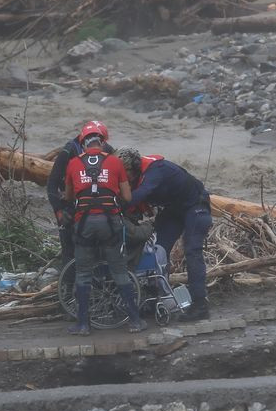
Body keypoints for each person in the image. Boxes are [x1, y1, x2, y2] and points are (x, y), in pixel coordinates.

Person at [63, 126, 144, 335]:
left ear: (83, 144)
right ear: (102, 143)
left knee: (83, 274)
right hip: (110, 223)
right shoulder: (115, 162)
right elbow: (127, 197)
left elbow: (69, 197)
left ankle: (83, 325)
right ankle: (135, 322)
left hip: (84, 224)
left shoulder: (73, 163)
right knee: (119, 271)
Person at [116, 148, 212, 321]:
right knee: (157, 251)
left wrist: (115, 206)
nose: (122, 179)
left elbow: (142, 193)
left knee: (192, 250)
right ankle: (155, 300)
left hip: (195, 206)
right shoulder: (134, 177)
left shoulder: (156, 170)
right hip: (173, 210)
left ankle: (200, 305)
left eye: (124, 174)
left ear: (135, 168)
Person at [46, 121, 115, 262]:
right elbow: (52, 184)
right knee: (69, 248)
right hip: (68, 204)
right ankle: (69, 274)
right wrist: (59, 211)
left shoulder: (107, 149)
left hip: (94, 203)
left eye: (101, 142)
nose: (98, 146)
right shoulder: (69, 152)